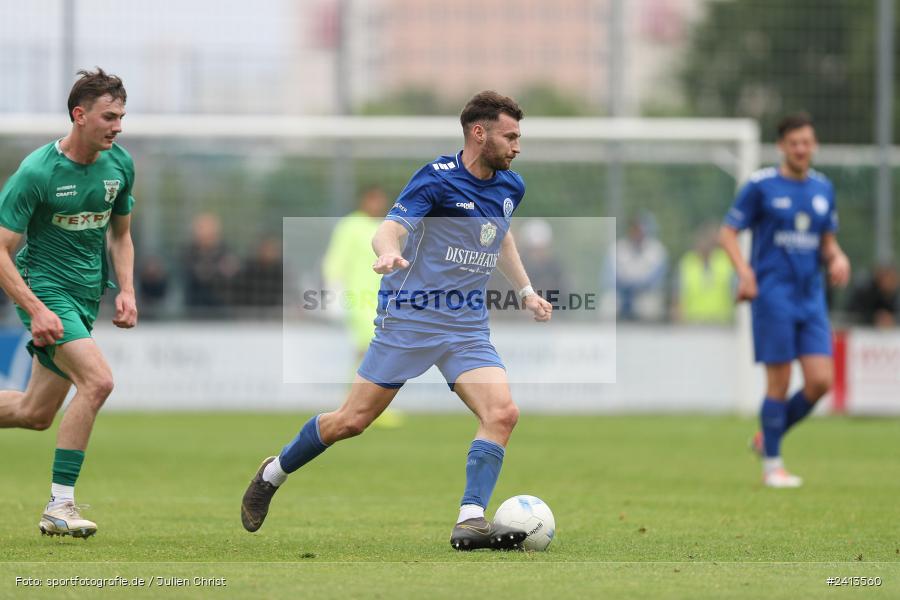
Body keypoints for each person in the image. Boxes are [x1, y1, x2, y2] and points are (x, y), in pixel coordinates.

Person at [241, 91, 553, 550]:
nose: (517, 146)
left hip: (465, 326)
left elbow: (499, 237)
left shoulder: (511, 187)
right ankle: (274, 473)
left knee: (502, 413)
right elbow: (390, 227)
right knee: (351, 421)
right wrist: (388, 250)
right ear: (478, 133)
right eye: (510, 136)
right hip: (409, 320)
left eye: (519, 137)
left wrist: (525, 290)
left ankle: (470, 518)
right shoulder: (436, 180)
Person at [0, 68, 138, 536]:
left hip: (84, 298)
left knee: (34, 413)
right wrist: (37, 309)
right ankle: (60, 506)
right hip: (46, 291)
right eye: (109, 116)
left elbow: (121, 236)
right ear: (79, 115)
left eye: (121, 116)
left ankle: (59, 505)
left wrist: (127, 289)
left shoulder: (119, 165)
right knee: (98, 382)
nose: (117, 126)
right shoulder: (37, 173)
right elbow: (0, 248)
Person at [720, 113, 850, 488]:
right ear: (782, 147)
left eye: (806, 142)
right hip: (772, 295)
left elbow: (827, 241)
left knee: (821, 382)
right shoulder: (761, 185)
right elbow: (728, 233)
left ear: (814, 144)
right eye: (793, 143)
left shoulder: (823, 188)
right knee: (779, 383)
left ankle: (766, 438)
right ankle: (772, 465)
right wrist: (745, 273)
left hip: (811, 298)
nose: (800, 149)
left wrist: (837, 257)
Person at [322, 186, 404, 427]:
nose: (378, 205)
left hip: (383, 297)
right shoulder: (350, 225)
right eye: (375, 199)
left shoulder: (385, 227)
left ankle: (357, 404)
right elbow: (335, 258)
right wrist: (332, 290)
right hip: (358, 298)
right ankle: (364, 405)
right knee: (374, 348)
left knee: (367, 351)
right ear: (365, 200)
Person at [672, 222, 734, 324]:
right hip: (693, 324)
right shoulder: (686, 263)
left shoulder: (726, 261)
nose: (704, 243)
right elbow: (677, 299)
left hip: (722, 325)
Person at [613, 214, 668, 321]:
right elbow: (612, 278)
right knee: (610, 303)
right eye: (634, 229)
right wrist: (627, 288)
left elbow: (654, 279)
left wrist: (636, 286)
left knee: (650, 306)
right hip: (623, 293)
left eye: (639, 229)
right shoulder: (617, 249)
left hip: (645, 293)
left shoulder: (657, 250)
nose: (637, 233)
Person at [846, 263, 899, 328]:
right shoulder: (865, 291)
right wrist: (874, 318)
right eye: (888, 277)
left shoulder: (893, 294)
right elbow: (853, 315)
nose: (889, 282)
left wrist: (892, 319)